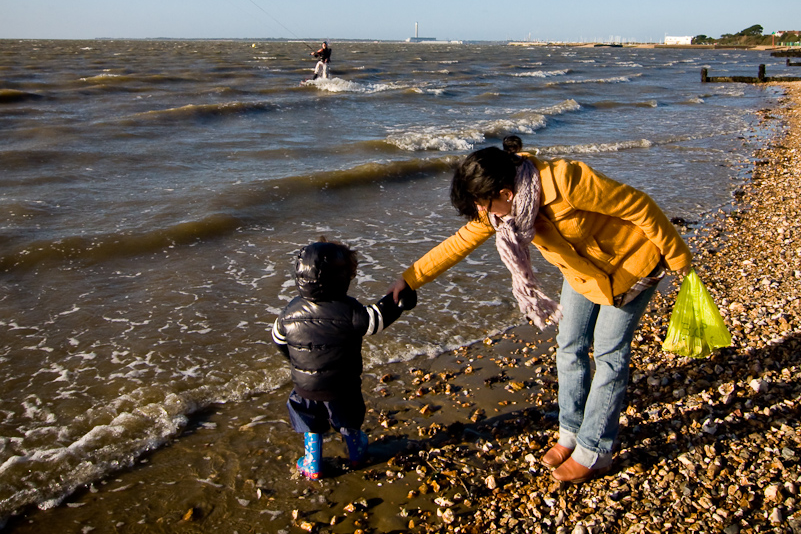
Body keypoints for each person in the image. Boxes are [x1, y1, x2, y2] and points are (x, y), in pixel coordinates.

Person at [389, 145, 691, 483]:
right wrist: (410, 278)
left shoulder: (566, 180)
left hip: (632, 266)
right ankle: (571, 433)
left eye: (480, 203)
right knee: (570, 345)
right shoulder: (500, 210)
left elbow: (639, 206)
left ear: (505, 192)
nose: (479, 211)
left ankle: (595, 451)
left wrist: (679, 260)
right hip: (581, 273)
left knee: (609, 354)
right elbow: (459, 242)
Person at [273, 240, 417, 479]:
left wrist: (299, 362)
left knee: (311, 425)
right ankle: (357, 452)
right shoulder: (349, 310)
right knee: (348, 420)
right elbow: (376, 319)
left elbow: (279, 340)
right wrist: (397, 303)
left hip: (304, 387)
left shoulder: (288, 312)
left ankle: (313, 464)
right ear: (342, 279)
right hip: (342, 387)